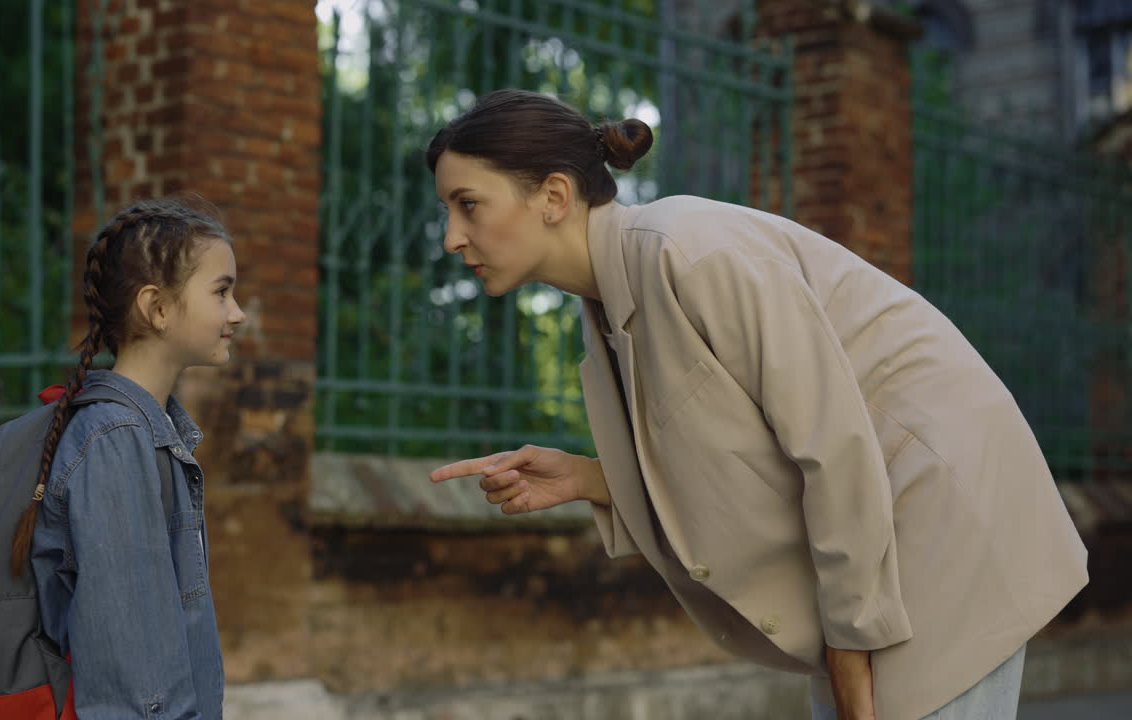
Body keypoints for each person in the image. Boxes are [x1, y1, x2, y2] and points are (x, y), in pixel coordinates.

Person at [426, 89, 1087, 720]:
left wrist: (852, 642)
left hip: (937, 510)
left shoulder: (690, 251)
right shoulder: (607, 303)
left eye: (468, 205)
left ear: (553, 196)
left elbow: (831, 443)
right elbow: (735, 451)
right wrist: (590, 478)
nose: (453, 237)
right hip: (879, 532)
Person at [8, 197, 247, 719]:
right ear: (157, 308)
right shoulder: (117, 440)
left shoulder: (147, 432)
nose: (238, 312)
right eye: (222, 292)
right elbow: (136, 682)